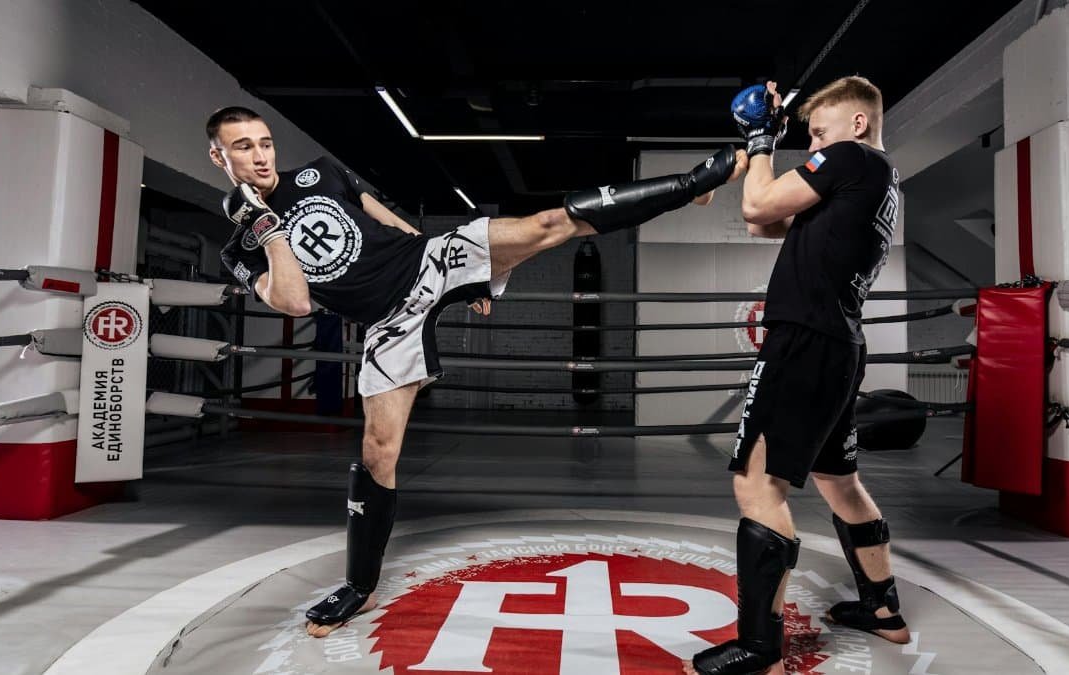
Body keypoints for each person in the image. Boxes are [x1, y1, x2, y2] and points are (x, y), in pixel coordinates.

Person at [206, 106, 748, 638]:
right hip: (385, 321)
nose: (260, 156)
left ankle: (692, 183)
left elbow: (383, 217)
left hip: (427, 261)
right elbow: (296, 302)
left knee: (548, 224)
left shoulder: (319, 171)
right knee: (377, 451)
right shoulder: (241, 249)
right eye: (243, 147)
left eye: (265, 142)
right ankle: (358, 585)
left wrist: (460, 276)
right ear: (218, 156)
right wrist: (264, 224)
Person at [686, 77, 908, 675]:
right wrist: (767, 153)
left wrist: (762, 138)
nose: (813, 142)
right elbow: (764, 223)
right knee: (840, 481)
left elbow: (757, 205)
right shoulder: (879, 183)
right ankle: (882, 610)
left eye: (818, 131)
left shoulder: (849, 156)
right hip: (839, 342)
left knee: (758, 485)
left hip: (805, 338)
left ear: (856, 124)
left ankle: (760, 650)